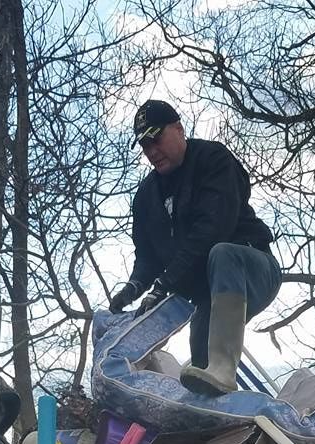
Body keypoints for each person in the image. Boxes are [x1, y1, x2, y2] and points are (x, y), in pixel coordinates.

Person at [109, 100, 282, 396]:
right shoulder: (146, 197)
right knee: (200, 376)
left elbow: (212, 229)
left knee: (223, 253)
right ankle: (222, 419)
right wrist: (134, 287)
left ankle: (225, 367)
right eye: (144, 145)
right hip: (208, 299)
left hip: (251, 270)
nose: (151, 151)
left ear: (178, 128)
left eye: (156, 139)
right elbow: (148, 256)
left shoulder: (212, 160)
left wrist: (165, 284)